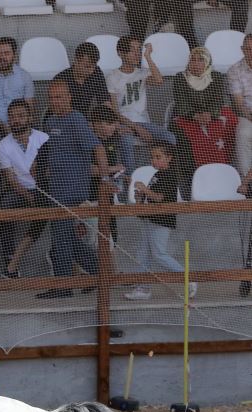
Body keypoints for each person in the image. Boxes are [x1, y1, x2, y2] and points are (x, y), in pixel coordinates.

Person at [36, 80, 117, 297]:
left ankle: (64, 286)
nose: (55, 101)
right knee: (67, 237)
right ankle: (100, 273)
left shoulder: (76, 120)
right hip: (56, 187)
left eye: (59, 97)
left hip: (72, 189)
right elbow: (55, 150)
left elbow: (98, 147)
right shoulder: (51, 121)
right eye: (51, 97)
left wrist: (105, 179)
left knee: (61, 238)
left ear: (69, 97)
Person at [124, 142, 195, 301]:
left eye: (158, 157)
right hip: (149, 219)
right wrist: (140, 196)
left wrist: (144, 188)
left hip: (161, 221)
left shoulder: (169, 175)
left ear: (169, 158)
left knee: (159, 254)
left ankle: (188, 278)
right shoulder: (157, 175)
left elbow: (159, 198)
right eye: (152, 157)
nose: (154, 160)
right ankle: (143, 288)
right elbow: (151, 197)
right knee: (143, 254)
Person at [107, 36, 176, 176]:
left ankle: (166, 177)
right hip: (124, 124)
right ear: (121, 53)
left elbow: (159, 81)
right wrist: (136, 128)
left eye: (139, 50)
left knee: (169, 137)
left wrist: (148, 57)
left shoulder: (142, 73)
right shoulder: (112, 77)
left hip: (144, 123)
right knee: (126, 141)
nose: (137, 54)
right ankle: (131, 181)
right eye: (132, 50)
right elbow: (115, 112)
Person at [0, 98, 49, 279]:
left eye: (20, 116)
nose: (16, 120)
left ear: (30, 117)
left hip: (45, 188)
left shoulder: (44, 138)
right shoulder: (3, 144)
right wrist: (29, 197)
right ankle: (9, 256)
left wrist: (40, 195)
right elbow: (10, 178)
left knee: (45, 210)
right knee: (4, 207)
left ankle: (12, 266)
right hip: (20, 190)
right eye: (12, 117)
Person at [172, 47, 234, 186]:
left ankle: (223, 174)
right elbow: (181, 103)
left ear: (207, 62)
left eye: (200, 60)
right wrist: (195, 116)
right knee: (190, 135)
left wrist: (210, 114)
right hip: (189, 116)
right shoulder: (180, 78)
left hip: (211, 115)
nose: (196, 63)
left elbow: (218, 100)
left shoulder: (216, 76)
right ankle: (194, 179)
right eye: (192, 60)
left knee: (227, 126)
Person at [53, 42, 110, 119]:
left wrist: (110, 119)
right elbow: (58, 109)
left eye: (93, 66)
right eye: (87, 66)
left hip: (84, 119)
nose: (91, 71)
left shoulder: (96, 73)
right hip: (63, 119)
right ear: (76, 60)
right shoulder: (61, 79)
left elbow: (105, 101)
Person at [228, 34, 252, 176]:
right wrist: (249, 115)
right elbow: (238, 102)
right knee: (243, 134)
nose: (251, 52)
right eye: (248, 49)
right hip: (247, 114)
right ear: (242, 49)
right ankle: (247, 182)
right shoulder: (234, 70)